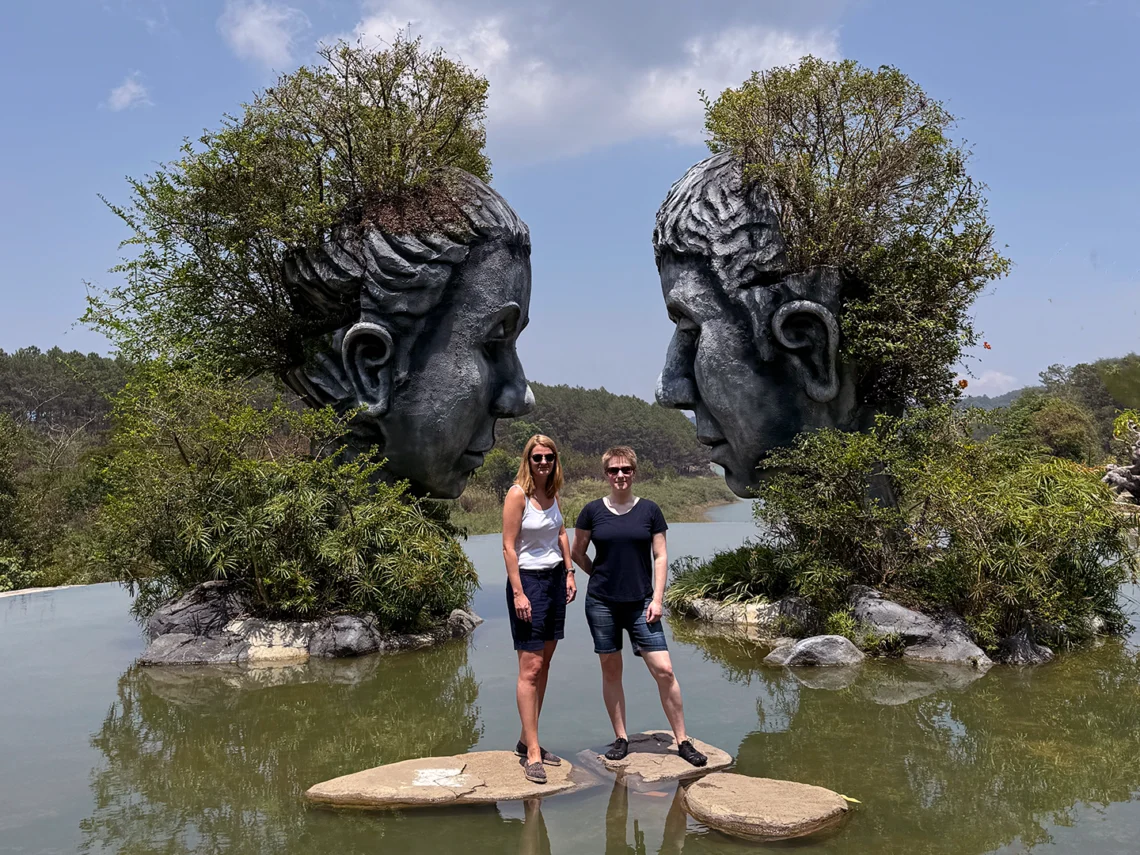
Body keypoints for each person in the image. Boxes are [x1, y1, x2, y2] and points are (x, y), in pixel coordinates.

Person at [571, 446, 707, 767]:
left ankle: (682, 740)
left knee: (664, 669)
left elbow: (660, 555)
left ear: (634, 472)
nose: (620, 475)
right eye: (613, 470)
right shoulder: (592, 511)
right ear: (605, 474)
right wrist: (599, 574)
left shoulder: (650, 510)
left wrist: (657, 599)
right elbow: (577, 552)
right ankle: (621, 738)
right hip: (602, 602)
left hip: (642, 602)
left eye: (626, 470)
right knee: (611, 669)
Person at [503, 434, 577, 784]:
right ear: (528, 461)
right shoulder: (518, 494)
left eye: (548, 457)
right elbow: (508, 547)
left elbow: (561, 531)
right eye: (537, 458)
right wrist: (519, 593)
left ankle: (526, 739)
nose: (543, 463)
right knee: (529, 667)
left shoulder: (552, 493)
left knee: (545, 663)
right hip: (529, 583)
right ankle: (533, 752)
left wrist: (570, 572)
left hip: (554, 580)